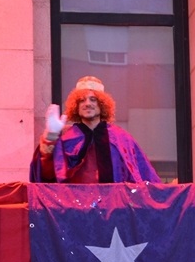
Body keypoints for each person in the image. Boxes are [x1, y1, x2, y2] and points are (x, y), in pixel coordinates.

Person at [29, 76, 161, 184]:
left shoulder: (121, 138)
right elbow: (47, 174)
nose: (87, 104)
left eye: (93, 99)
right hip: (74, 206)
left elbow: (143, 175)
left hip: (114, 206)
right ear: (76, 106)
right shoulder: (66, 138)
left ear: (102, 105)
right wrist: (51, 136)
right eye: (82, 100)